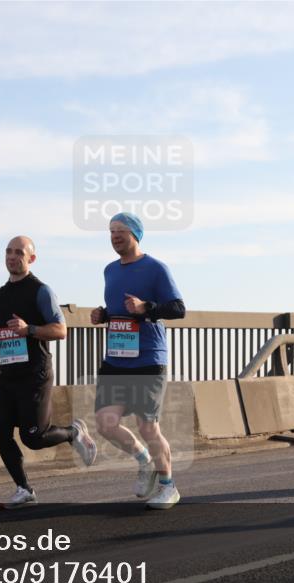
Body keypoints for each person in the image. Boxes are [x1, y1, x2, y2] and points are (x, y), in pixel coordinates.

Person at [0, 236, 96, 509]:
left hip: (35, 374)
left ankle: (73, 432)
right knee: (1, 432)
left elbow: (61, 330)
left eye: (19, 252)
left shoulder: (41, 291)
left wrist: (29, 330)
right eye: (8, 252)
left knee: (34, 438)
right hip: (8, 374)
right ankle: (24, 489)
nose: (12, 257)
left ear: (31, 259)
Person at [90, 212, 186, 510]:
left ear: (135, 234)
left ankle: (168, 486)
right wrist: (103, 315)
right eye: (111, 231)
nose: (115, 236)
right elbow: (120, 310)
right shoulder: (109, 270)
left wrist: (147, 307)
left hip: (148, 357)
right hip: (117, 357)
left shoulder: (156, 268)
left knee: (148, 427)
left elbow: (178, 308)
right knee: (105, 422)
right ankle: (145, 461)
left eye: (120, 230)